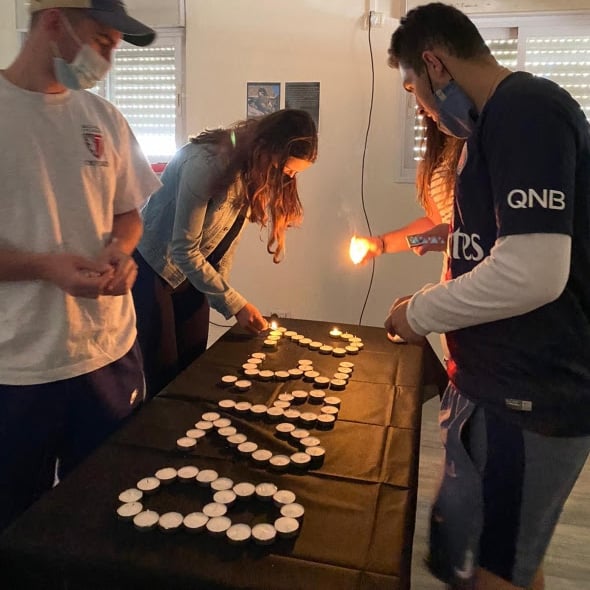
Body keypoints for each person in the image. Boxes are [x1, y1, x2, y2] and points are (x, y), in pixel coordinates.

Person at [384, 3, 590, 590]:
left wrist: (418, 312)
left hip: (531, 398)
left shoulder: (528, 110)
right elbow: (479, 247)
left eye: (413, 90)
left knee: (498, 570)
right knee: (507, 560)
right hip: (491, 387)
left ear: (434, 65)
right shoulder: (487, 131)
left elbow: (531, 272)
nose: (421, 107)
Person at [0, 1, 161, 532]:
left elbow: (129, 213)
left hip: (108, 355)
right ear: (53, 21)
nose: (108, 60)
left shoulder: (103, 118)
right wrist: (45, 267)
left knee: (108, 515)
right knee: (17, 524)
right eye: (104, 42)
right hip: (18, 367)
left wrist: (120, 248)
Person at [133, 109, 318, 397]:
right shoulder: (206, 164)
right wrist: (236, 304)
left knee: (195, 367)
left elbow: (225, 244)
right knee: (166, 379)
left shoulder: (255, 172)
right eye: (288, 169)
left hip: (191, 273)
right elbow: (183, 249)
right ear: (268, 149)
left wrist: (225, 299)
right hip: (153, 268)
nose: (289, 178)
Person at [356, 116, 463, 261]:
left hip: (482, 269)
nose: (419, 107)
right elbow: (434, 224)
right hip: (454, 273)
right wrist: (382, 244)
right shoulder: (438, 150)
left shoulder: (476, 142)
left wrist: (453, 238)